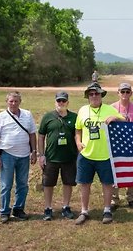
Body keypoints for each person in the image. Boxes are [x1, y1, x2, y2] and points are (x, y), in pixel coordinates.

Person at [74, 82, 126, 225]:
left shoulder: (109, 109)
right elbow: (78, 130)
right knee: (84, 183)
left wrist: (115, 118)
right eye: (91, 94)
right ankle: (84, 211)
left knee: (107, 183)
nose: (94, 96)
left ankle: (107, 210)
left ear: (101, 95)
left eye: (97, 93)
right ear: (88, 96)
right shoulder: (83, 110)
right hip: (86, 155)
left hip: (105, 155)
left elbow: (125, 119)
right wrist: (78, 142)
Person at [0, 91, 37, 224]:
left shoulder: (27, 115)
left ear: (20, 102)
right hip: (7, 155)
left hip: (24, 155)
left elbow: (32, 134)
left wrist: (34, 152)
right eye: (11, 101)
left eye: (16, 101)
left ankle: (18, 209)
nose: (13, 103)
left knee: (22, 184)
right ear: (7, 102)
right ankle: (4, 211)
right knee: (6, 185)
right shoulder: (0, 117)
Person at [37, 91, 78, 221]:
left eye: (63, 101)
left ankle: (66, 207)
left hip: (69, 157)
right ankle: (48, 208)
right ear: (55, 102)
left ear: (67, 102)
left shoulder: (74, 117)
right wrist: (41, 155)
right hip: (51, 157)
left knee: (68, 182)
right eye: (59, 101)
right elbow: (41, 136)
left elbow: (78, 135)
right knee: (48, 184)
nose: (61, 103)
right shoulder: (48, 117)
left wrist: (78, 155)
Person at [110, 82, 133, 209]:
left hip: (131, 145)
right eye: (122, 91)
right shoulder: (111, 108)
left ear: (131, 93)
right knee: (115, 171)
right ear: (118, 93)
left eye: (127, 92)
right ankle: (114, 199)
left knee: (131, 171)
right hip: (116, 144)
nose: (124, 94)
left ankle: (131, 197)